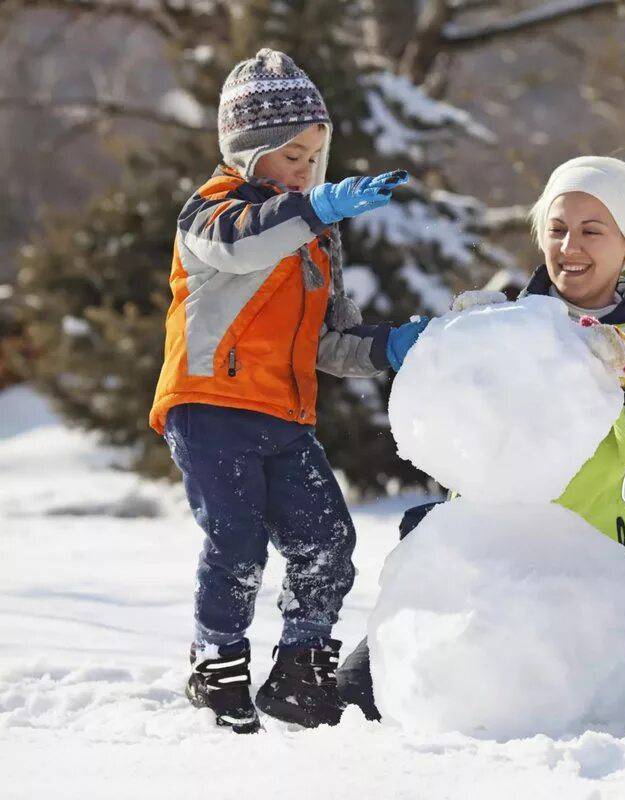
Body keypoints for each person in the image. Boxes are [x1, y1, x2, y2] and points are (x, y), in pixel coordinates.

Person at [337, 156, 625, 721]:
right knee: (361, 699)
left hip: (581, 572)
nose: (569, 246)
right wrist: (454, 347)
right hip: (478, 561)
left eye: (591, 231)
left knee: (554, 722)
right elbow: (447, 427)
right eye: (556, 229)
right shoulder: (504, 323)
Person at [149, 48, 427, 733]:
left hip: (285, 413)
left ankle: (302, 667)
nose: (305, 171)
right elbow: (243, 245)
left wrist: (395, 346)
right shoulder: (212, 212)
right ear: (247, 152)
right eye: (289, 155)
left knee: (327, 540)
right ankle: (217, 662)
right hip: (210, 405)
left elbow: (330, 342)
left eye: (314, 158)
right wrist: (317, 205)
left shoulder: (315, 239)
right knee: (237, 541)